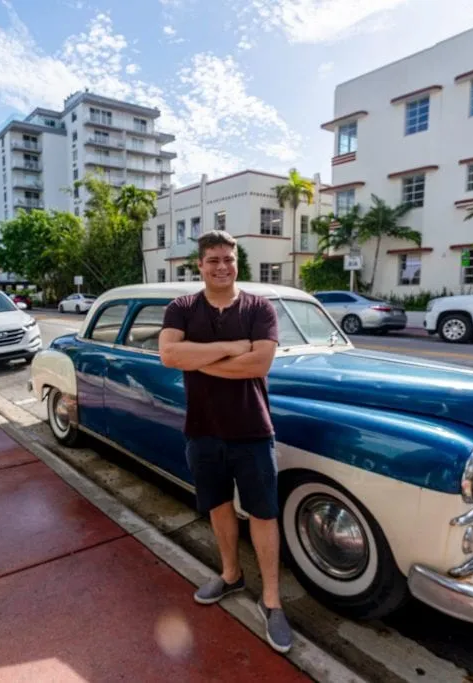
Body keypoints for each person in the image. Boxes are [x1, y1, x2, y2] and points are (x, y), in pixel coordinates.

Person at [158, 230, 292, 654]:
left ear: (238, 263)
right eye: (213, 259)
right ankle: (231, 575)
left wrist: (198, 359)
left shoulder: (259, 308)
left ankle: (271, 601)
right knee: (217, 507)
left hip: (253, 430)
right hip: (202, 430)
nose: (222, 266)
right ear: (199, 264)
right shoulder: (181, 307)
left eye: (228, 259)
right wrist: (231, 349)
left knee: (264, 514)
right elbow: (169, 356)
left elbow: (260, 363)